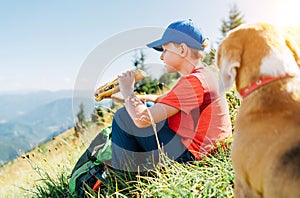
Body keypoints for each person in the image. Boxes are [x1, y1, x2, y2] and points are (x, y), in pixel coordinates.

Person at [111, 19, 232, 171]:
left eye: (165, 50)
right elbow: (157, 99)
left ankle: (123, 174)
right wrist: (120, 96)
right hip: (196, 150)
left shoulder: (194, 82)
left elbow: (143, 120)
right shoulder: (201, 76)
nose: (161, 57)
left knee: (124, 116)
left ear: (182, 49)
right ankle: (139, 163)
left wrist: (128, 91)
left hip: (189, 158)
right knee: (147, 106)